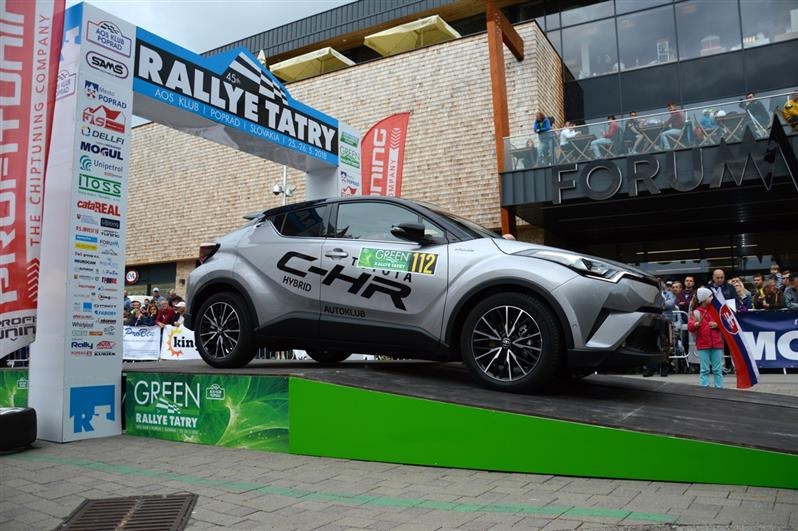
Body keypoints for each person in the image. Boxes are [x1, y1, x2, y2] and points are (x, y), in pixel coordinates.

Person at [688, 287, 724, 388]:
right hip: (703, 345)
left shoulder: (716, 311)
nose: (712, 298)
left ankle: (719, 388)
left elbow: (723, 325)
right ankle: (704, 388)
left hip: (716, 344)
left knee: (718, 369)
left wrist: (718, 325)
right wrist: (695, 325)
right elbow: (690, 326)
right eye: (710, 296)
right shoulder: (696, 312)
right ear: (703, 298)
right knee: (704, 369)